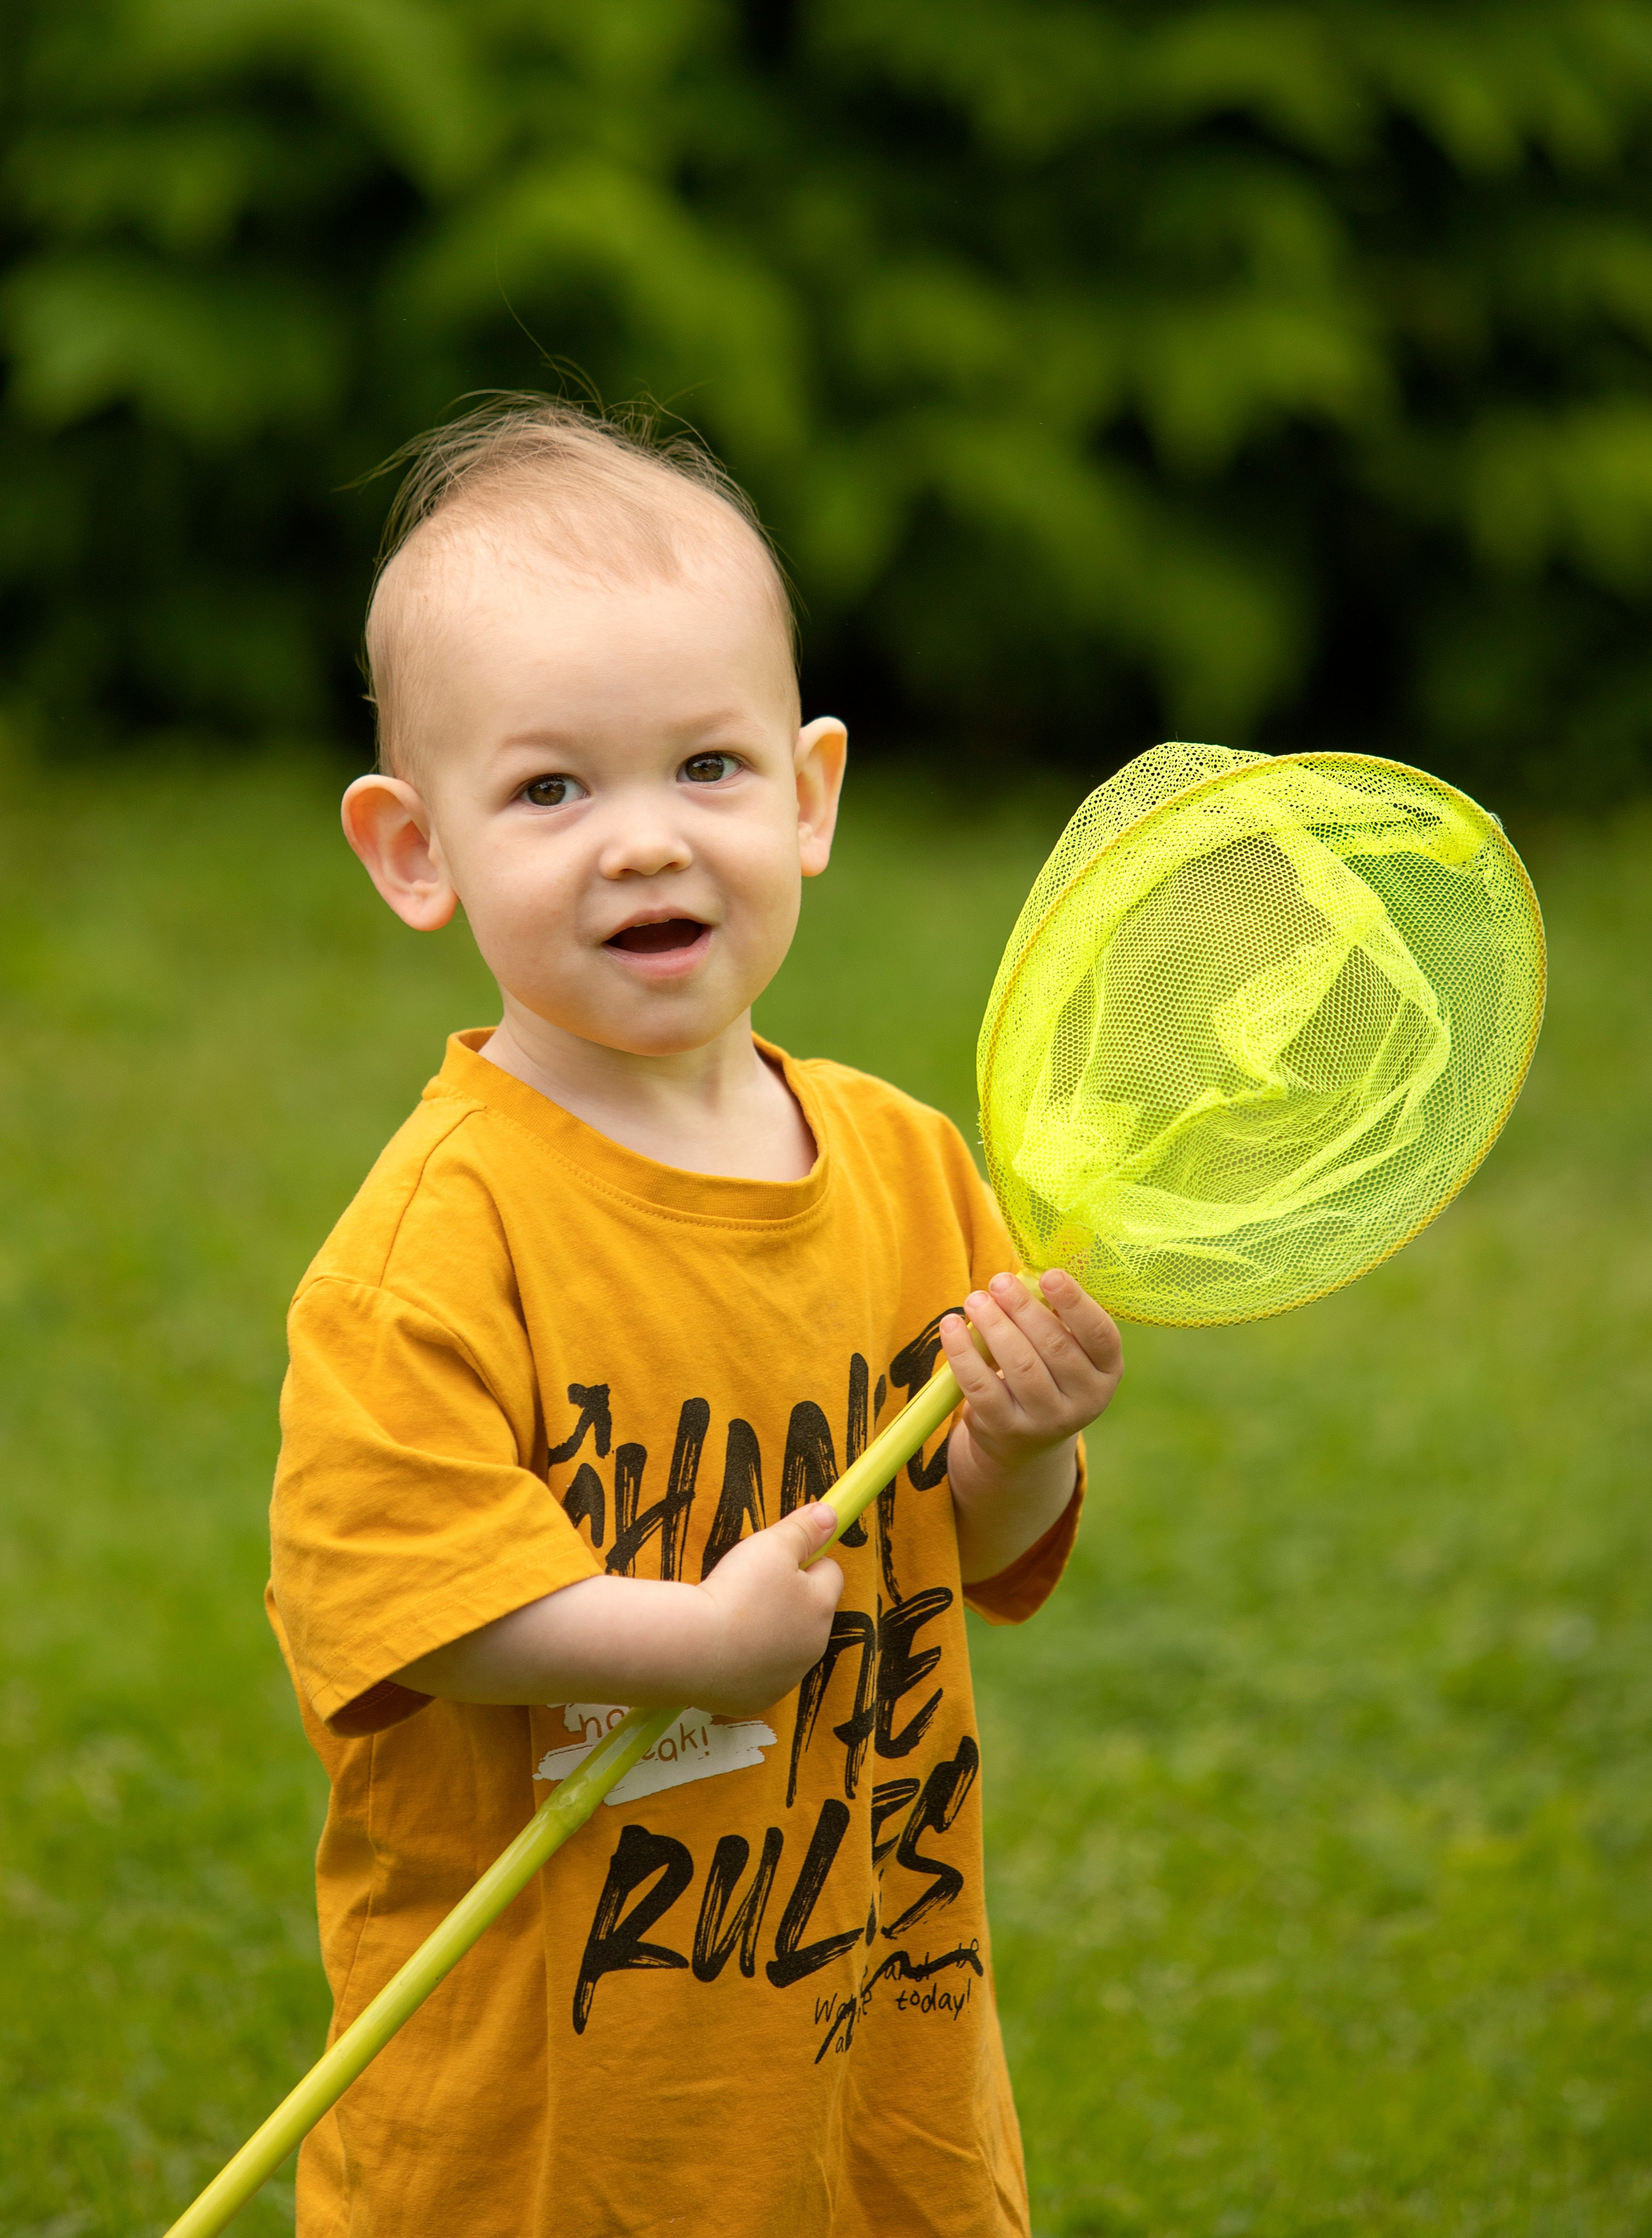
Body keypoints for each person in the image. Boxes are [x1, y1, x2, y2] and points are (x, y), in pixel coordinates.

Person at [268, 394, 1122, 2238]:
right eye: (553, 788)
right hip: (552, 2105)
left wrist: (1026, 1439)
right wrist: (688, 1640)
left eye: (709, 769)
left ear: (810, 795)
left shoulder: (903, 1167)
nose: (644, 843)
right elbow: (399, 1585)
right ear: (417, 850)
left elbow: (976, 1543)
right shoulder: (444, 1229)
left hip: (859, 2025)